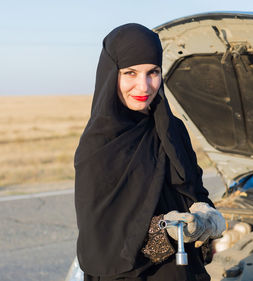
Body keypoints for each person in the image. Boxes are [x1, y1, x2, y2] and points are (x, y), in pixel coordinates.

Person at [74, 23, 225, 281]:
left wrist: (205, 215)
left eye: (152, 72)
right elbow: (104, 244)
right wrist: (167, 230)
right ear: (112, 75)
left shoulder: (172, 129)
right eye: (130, 73)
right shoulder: (98, 147)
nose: (143, 87)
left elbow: (194, 191)